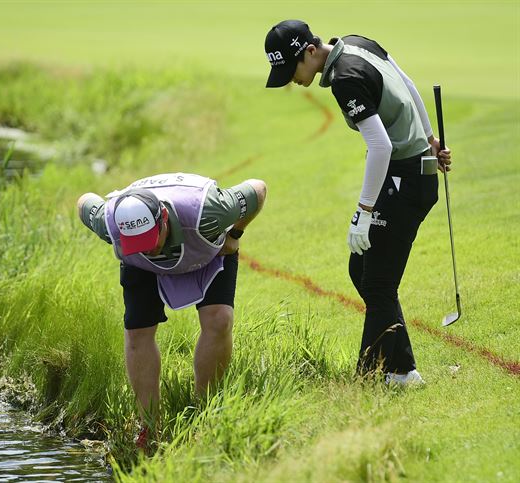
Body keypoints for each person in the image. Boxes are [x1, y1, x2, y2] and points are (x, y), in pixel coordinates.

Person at [263, 20, 452, 385]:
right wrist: (430, 138)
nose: (292, 80)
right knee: (360, 268)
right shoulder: (353, 42)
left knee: (378, 283)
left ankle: (374, 376)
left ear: (309, 52)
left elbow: (380, 146)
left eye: (291, 70)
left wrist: (363, 211)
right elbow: (409, 85)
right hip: (410, 172)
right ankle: (401, 369)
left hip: (405, 179)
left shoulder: (345, 80)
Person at [77, 172, 266, 445]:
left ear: (163, 218)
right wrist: (139, 246)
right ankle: (149, 427)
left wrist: (235, 234)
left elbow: (258, 189)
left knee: (219, 320)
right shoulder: (109, 222)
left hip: (206, 248)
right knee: (137, 333)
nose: (148, 249)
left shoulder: (210, 210)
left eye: (149, 239)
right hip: (140, 269)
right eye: (137, 243)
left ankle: (205, 416)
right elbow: (84, 201)